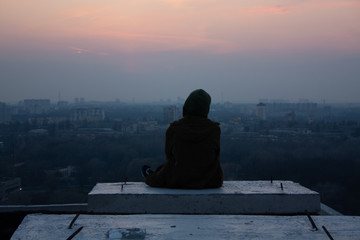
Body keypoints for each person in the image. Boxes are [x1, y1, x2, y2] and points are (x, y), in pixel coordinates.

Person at [142, 89, 223, 189]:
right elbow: (215, 156)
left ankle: (151, 175)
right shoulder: (214, 130)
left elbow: (169, 156)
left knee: (162, 170)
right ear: (206, 109)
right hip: (210, 180)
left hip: (178, 179)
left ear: (186, 107)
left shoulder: (174, 129)